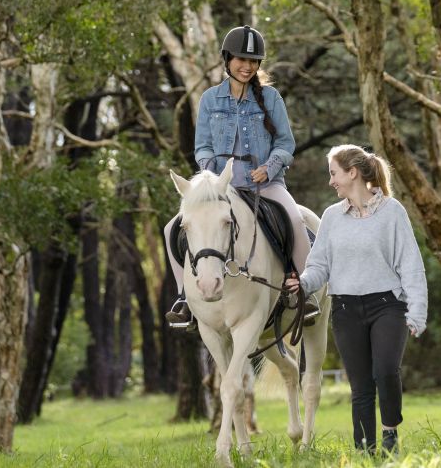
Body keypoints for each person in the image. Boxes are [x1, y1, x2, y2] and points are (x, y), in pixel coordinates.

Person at [164, 25, 317, 328]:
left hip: (265, 183)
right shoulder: (210, 99)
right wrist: (212, 175)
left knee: (294, 220)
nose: (247, 67)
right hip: (223, 188)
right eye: (240, 60)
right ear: (227, 59)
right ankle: (185, 296)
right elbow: (203, 146)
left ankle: (305, 293)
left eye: (253, 62)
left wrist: (270, 167)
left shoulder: (270, 98)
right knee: (172, 227)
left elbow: (286, 143)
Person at [284, 144, 427, 455]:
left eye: (334, 173)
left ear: (353, 173)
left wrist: (417, 312)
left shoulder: (392, 212)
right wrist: (304, 283)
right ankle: (364, 452)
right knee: (361, 386)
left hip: (388, 305)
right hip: (347, 308)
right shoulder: (332, 217)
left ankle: (390, 435)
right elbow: (319, 265)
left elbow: (410, 264)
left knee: (386, 371)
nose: (331, 181)